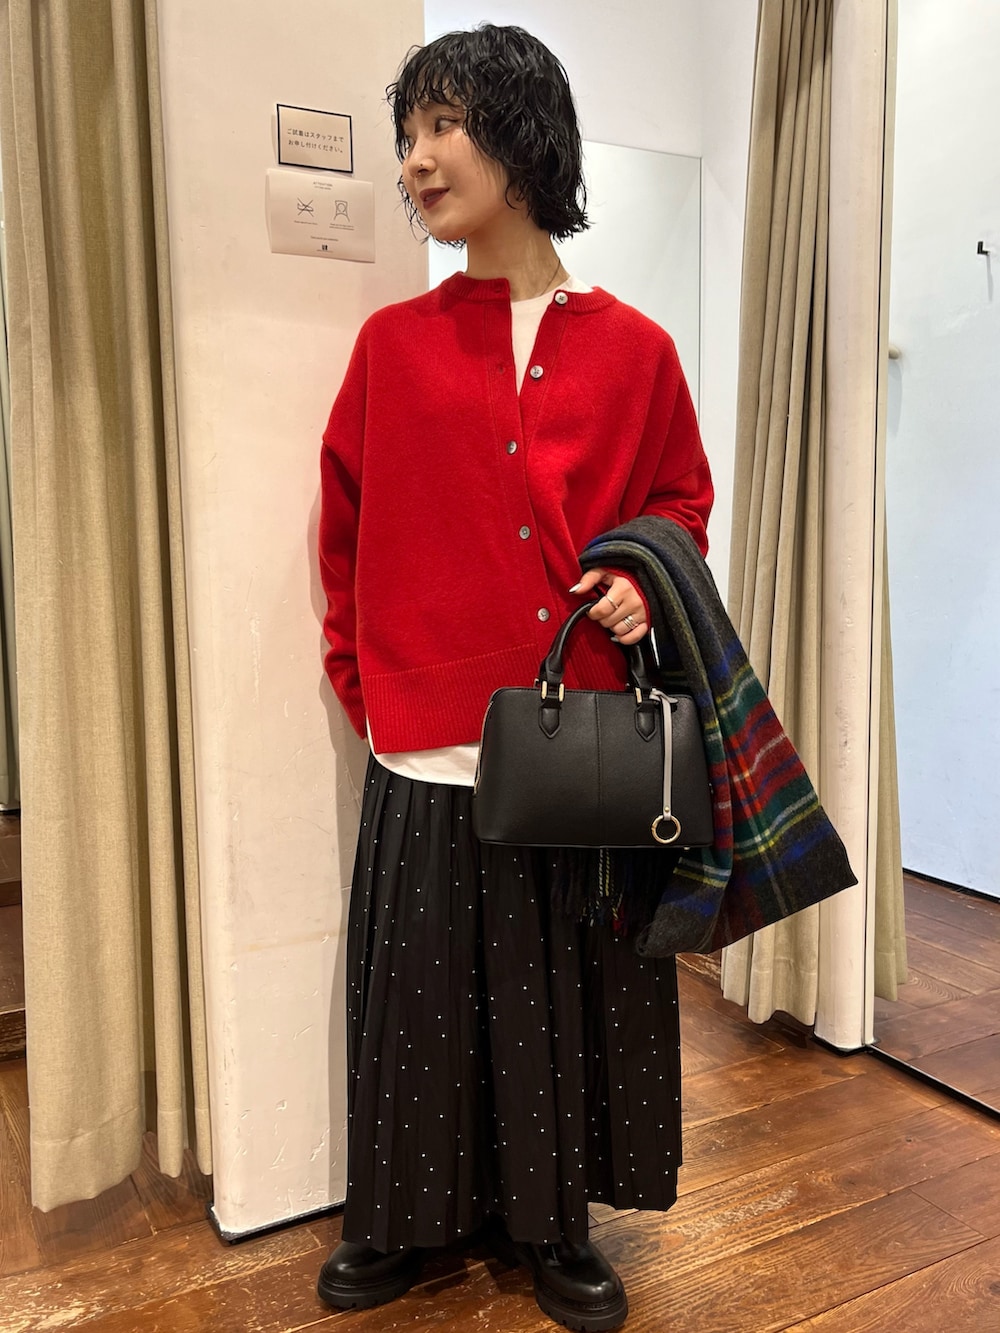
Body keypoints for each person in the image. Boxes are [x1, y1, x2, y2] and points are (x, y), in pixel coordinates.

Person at [316, 24, 713, 1332]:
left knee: (563, 991)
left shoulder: (637, 350)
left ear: (522, 135)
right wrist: (368, 684)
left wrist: (642, 578)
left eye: (443, 126)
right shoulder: (392, 347)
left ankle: (556, 1225)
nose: (416, 161)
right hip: (427, 732)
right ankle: (400, 1218)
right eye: (408, 137)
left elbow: (680, 502)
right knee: (422, 998)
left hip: (577, 738)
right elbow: (343, 531)